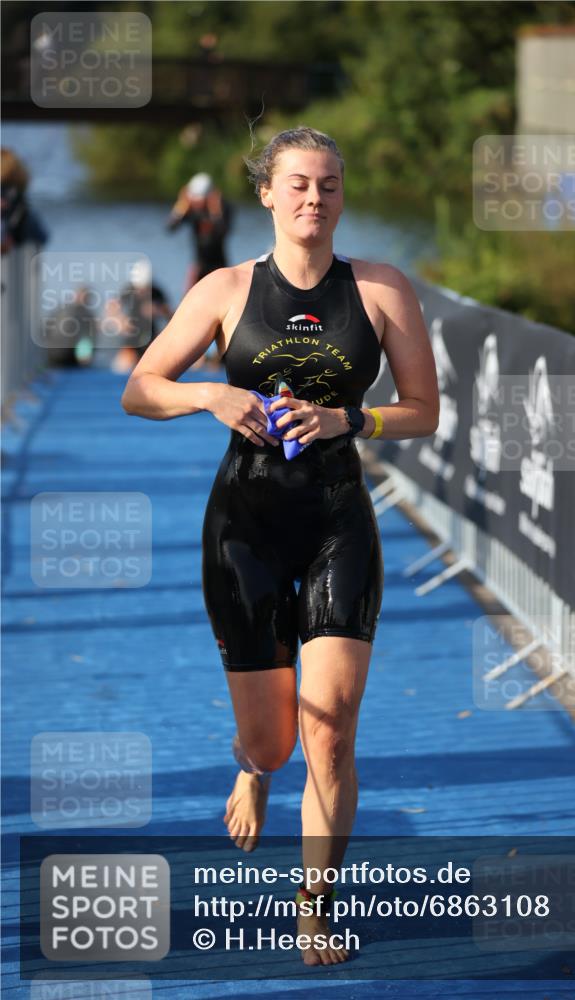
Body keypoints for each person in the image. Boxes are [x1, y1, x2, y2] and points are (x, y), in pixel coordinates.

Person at [121, 126, 439, 966]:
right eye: (298, 184)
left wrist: (350, 418)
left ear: (343, 195)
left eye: (329, 185)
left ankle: (313, 907)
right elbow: (138, 387)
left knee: (329, 729)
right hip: (244, 533)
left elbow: (425, 410)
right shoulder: (226, 289)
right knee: (276, 742)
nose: (314, 199)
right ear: (265, 193)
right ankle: (252, 768)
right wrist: (209, 399)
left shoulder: (378, 289)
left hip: (337, 522)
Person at [166, 172, 233, 290]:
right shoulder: (191, 209)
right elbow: (170, 228)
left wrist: (215, 211)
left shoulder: (223, 208)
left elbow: (223, 232)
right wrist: (181, 206)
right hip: (198, 265)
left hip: (219, 265)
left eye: (200, 200)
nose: (198, 204)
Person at [104, 261, 172, 373]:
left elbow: (171, 315)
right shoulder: (128, 290)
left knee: (157, 369)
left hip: (151, 340)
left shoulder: (156, 293)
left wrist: (158, 311)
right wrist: (121, 320)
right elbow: (111, 308)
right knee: (122, 368)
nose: (141, 291)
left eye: (144, 288)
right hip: (132, 340)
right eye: (138, 288)